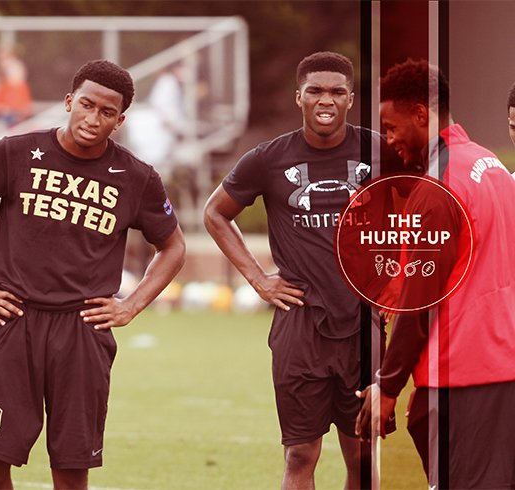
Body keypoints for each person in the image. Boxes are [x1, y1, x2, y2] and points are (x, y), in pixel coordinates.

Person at [0, 59, 186, 489]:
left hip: (83, 331)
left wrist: (131, 305)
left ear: (120, 120)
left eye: (107, 112)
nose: (93, 119)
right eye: (86, 105)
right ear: (69, 101)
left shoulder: (137, 177)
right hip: (14, 323)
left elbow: (173, 246)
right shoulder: (14, 153)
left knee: (70, 472)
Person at [202, 52, 401, 489]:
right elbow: (215, 213)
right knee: (299, 454)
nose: (325, 100)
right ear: (299, 98)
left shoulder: (382, 152)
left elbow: (421, 214)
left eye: (336, 91)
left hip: (362, 325)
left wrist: (399, 279)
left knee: (363, 456)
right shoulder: (268, 159)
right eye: (315, 91)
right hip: (300, 325)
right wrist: (258, 279)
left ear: (351, 98)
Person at [355, 60, 515, 489]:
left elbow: (418, 301)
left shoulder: (438, 187)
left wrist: (387, 388)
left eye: (391, 127)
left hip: (462, 380)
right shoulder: (492, 164)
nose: (389, 140)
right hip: (503, 371)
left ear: (421, 115)